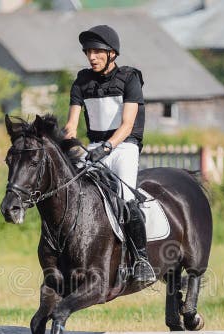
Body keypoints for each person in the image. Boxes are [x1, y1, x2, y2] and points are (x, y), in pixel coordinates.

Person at [64, 24, 156, 285]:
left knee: (126, 198)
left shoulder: (130, 79)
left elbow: (127, 124)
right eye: (87, 52)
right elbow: (71, 124)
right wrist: (65, 138)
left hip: (123, 147)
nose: (91, 56)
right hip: (93, 148)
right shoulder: (82, 81)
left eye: (96, 51)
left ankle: (141, 260)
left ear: (112, 53)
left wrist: (107, 148)